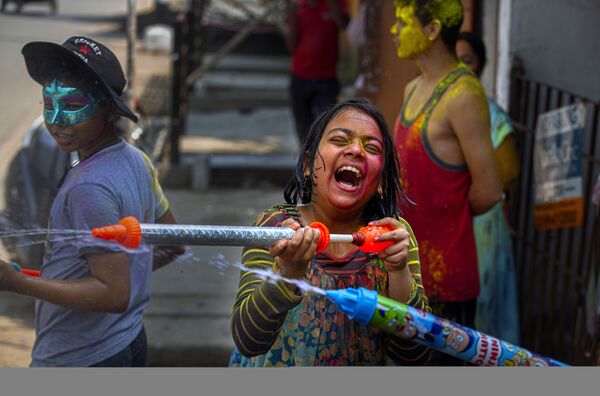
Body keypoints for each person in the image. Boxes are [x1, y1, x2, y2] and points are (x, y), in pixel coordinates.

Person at [0, 36, 183, 367]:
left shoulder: (88, 188)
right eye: (48, 104)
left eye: (72, 107)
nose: (56, 121)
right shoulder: (136, 159)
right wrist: (122, 272)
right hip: (127, 338)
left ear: (109, 108)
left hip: (78, 356)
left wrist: (18, 283)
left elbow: (113, 294)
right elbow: (172, 243)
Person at [228, 98, 431, 366]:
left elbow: (415, 357)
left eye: (371, 148)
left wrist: (398, 271)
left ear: (380, 182)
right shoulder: (276, 227)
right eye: (339, 140)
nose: (356, 150)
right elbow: (248, 340)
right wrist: (286, 274)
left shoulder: (393, 237)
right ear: (309, 165)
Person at [390, 0, 503, 365]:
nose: (394, 31)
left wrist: (444, 222)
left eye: (403, 22)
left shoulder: (463, 95)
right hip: (405, 270)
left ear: (432, 30)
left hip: (446, 280)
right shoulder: (411, 89)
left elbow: (488, 190)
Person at [456, 31, 520, 344]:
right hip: (457, 223)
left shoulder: (491, 115)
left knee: (486, 305)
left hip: (483, 227)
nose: (459, 67)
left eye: (466, 61)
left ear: (480, 66)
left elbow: (508, 173)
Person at [285, 0, 349, 144]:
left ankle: (321, 163)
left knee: (325, 127)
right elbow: (290, 45)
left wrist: (332, 6)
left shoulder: (334, 4)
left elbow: (345, 25)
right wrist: (293, 18)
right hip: (300, 78)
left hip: (326, 80)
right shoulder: (298, 6)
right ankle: (306, 162)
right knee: (303, 130)